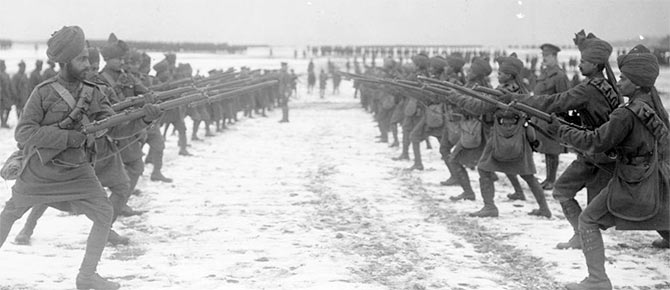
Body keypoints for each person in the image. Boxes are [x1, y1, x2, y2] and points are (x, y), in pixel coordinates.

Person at [0, 26, 161, 290]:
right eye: (82, 59)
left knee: (104, 211)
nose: (88, 64)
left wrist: (144, 117)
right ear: (64, 62)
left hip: (78, 170)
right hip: (40, 172)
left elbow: (116, 129)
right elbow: (25, 132)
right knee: (10, 214)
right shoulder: (43, 92)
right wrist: (68, 138)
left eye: (88, 58)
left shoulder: (94, 92)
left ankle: (86, 276)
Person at [553, 44, 669, 290]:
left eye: (624, 78)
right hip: (654, 177)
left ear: (637, 83)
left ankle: (598, 280)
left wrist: (561, 129)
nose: (618, 81)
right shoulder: (653, 106)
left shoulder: (625, 114)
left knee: (588, 220)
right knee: (663, 218)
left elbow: (594, 142)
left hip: (631, 182)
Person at [502, 30, 619, 250]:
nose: (579, 65)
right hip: (600, 151)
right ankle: (582, 237)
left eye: (583, 62)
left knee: (563, 191)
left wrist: (517, 99)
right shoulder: (607, 86)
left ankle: (582, 238)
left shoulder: (588, 89)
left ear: (595, 65)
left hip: (595, 154)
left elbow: (556, 101)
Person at [447, 54, 551, 218]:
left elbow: (479, 107)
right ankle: (544, 208)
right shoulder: (521, 89)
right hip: (519, 135)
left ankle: (490, 207)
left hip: (501, 135)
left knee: (483, 168)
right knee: (528, 175)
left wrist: (456, 97)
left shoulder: (502, 91)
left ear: (509, 75)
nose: (498, 75)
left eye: (501, 73)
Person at [447, 56, 492, 201]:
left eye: (471, 70)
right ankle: (470, 193)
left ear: (478, 73)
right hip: (473, 129)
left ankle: (473, 195)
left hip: (478, 130)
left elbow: (477, 108)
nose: (468, 72)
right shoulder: (471, 85)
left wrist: (459, 107)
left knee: (455, 159)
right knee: (485, 166)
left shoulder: (480, 88)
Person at [532, 43, 570, 191]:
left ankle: (552, 180)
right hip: (542, 117)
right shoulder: (545, 73)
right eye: (543, 56)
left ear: (555, 57)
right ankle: (548, 179)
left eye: (547, 56)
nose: (544, 58)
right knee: (547, 150)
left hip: (552, 118)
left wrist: (558, 119)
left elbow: (564, 99)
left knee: (553, 150)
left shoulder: (559, 76)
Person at [0, 60, 13, 128]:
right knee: (1, 109)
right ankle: (3, 123)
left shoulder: (6, 74)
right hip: (2, 95)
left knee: (8, 108)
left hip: (7, 95)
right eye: (2, 65)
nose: (3, 66)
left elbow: (10, 84)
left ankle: (5, 122)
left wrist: (11, 93)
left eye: (3, 65)